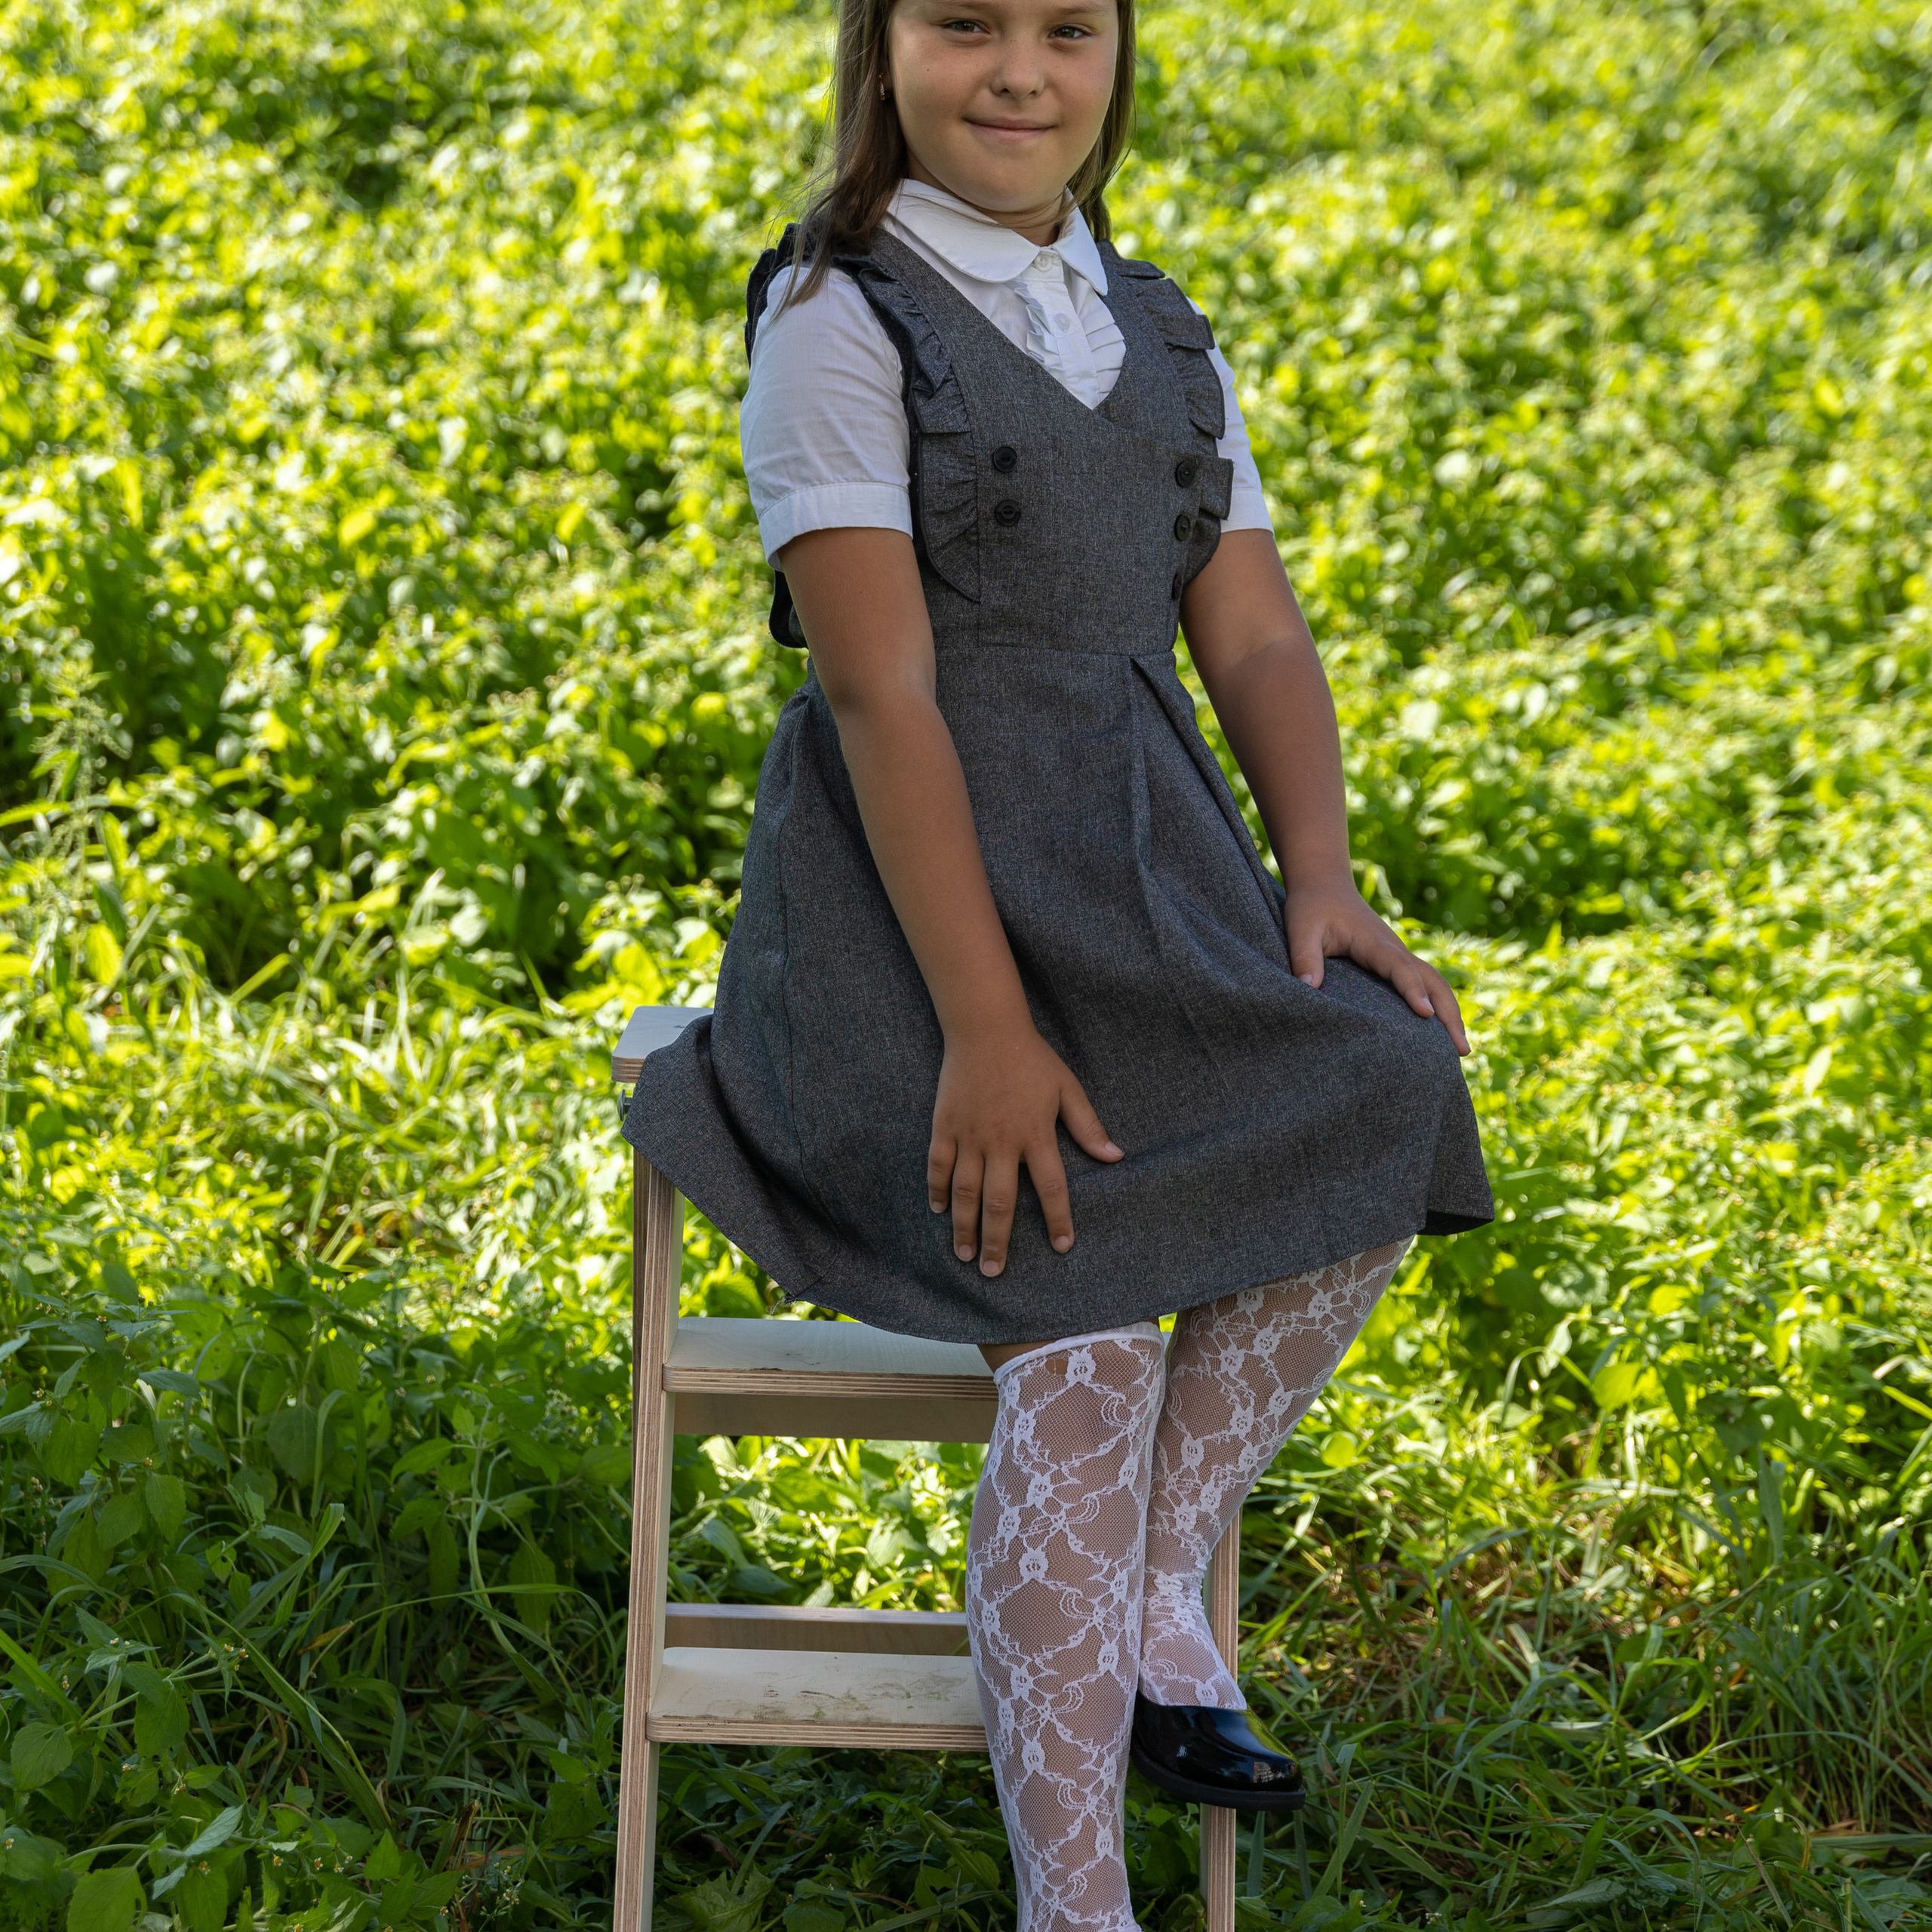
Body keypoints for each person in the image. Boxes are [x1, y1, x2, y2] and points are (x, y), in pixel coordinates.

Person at [626, 0, 1494, 1923]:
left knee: (1390, 1080)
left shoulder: (1154, 331)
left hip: (1138, 898)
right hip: (908, 937)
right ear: (879, 47)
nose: (1016, 72)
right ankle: (1073, 1901)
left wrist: (1320, 873)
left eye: (1063, 29)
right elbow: (879, 689)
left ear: (1116, 56)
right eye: (963, 24)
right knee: (1086, 1341)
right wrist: (985, 1026)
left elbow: (1251, 635)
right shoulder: (839, 314)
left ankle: (1162, 1572)